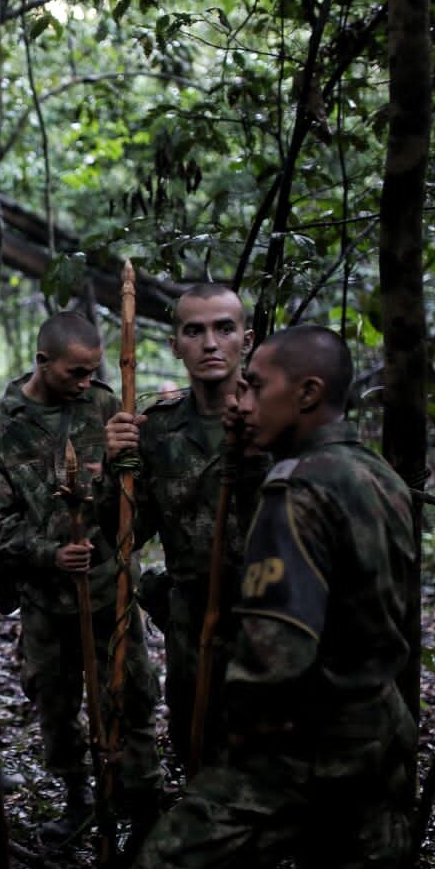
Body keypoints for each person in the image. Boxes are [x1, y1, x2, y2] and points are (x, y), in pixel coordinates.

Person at [125, 326, 419, 869]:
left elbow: (277, 658)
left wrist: (237, 752)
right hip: (378, 736)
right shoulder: (375, 475)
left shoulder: (299, 490)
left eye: (257, 387)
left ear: (308, 394)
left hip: (303, 746)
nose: (244, 401)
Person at [0, 311, 162, 843]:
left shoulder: (105, 405)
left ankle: (143, 808)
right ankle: (78, 798)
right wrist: (48, 554)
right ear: (42, 363)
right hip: (45, 600)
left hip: (110, 591)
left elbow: (134, 497)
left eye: (91, 372)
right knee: (55, 707)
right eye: (74, 373)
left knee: (130, 698)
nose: (85, 383)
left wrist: (124, 462)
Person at [104, 284, 269, 769]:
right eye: (194, 331)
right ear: (175, 345)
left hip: (269, 621)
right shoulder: (156, 430)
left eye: (224, 328)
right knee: (197, 748)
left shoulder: (275, 420)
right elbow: (124, 533)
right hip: (192, 625)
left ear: (248, 338)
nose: (211, 344)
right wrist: (115, 464)